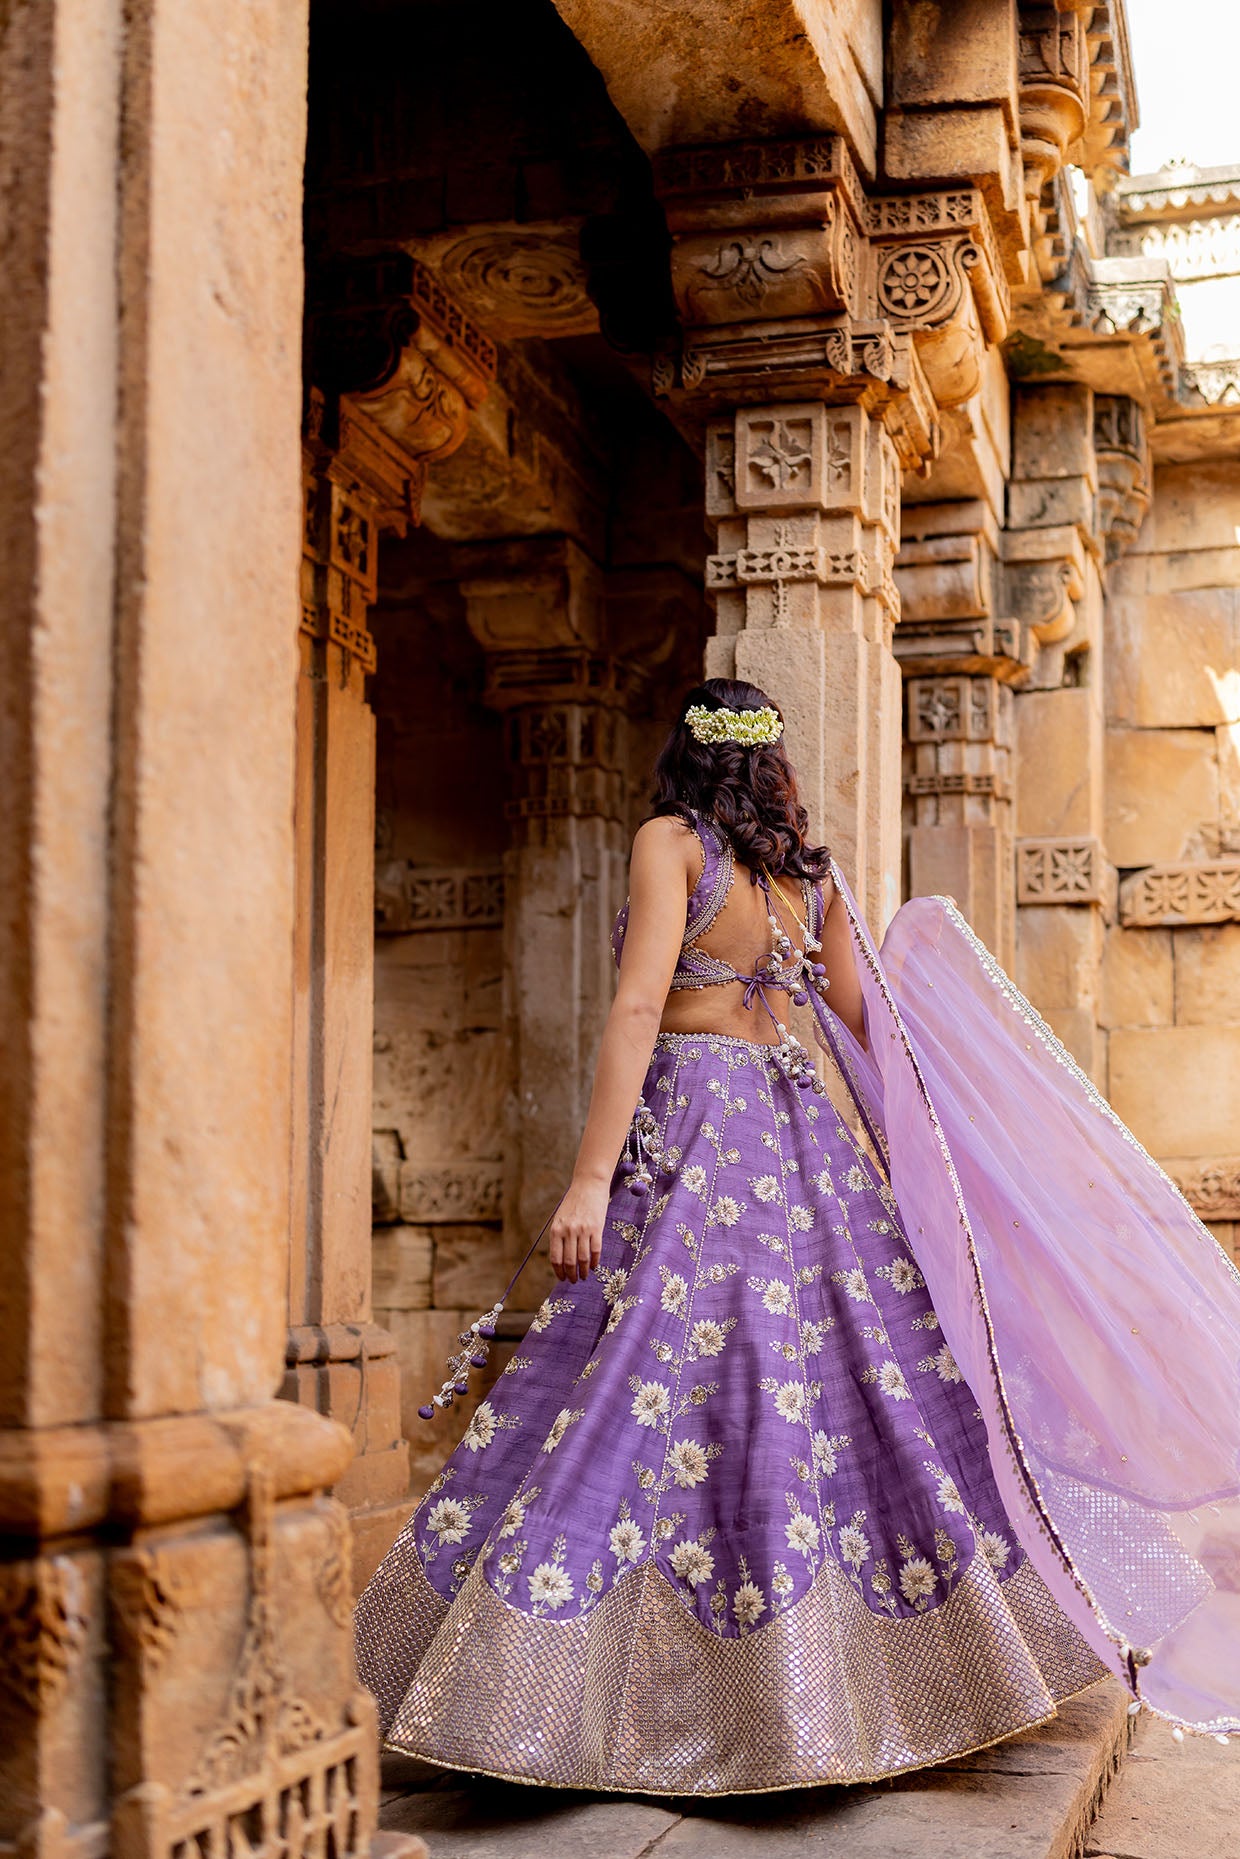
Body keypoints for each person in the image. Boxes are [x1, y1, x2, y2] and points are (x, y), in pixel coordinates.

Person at [355, 678, 1240, 1794]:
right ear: (774, 766)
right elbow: (875, 1034)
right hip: (797, 1134)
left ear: (681, 755)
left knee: (650, 1378)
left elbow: (637, 1007)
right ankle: (867, 1686)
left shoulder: (671, 844)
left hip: (694, 1124)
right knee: (828, 1383)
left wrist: (587, 1182)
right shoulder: (804, 877)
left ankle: (579, 1697)